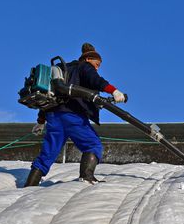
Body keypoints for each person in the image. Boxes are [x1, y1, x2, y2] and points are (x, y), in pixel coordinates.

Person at [24, 43, 126, 187]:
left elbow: (50, 95)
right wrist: (113, 91)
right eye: (97, 64)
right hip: (73, 115)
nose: (97, 68)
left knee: (48, 153)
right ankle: (86, 177)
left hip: (53, 116)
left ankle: (29, 185)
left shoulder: (62, 70)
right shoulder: (84, 67)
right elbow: (96, 80)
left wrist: (41, 121)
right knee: (92, 145)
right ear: (88, 59)